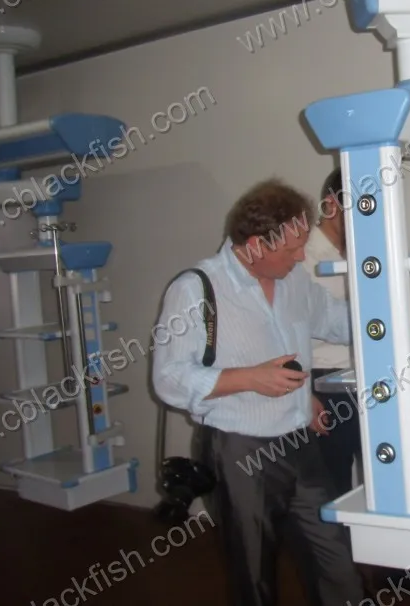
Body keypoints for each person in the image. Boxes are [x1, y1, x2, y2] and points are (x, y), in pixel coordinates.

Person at [151, 178, 365, 606]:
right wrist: (250, 378)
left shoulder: (293, 280)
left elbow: (333, 318)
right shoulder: (196, 289)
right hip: (238, 450)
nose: (301, 257)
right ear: (255, 245)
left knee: (337, 562)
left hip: (300, 442)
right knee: (254, 575)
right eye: (292, 249)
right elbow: (169, 378)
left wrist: (388, 325)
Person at [303, 168, 410, 597]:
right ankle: (345, 586)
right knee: (335, 490)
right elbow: (287, 331)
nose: (366, 215)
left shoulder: (366, 249)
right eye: (357, 206)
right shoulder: (302, 255)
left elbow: (378, 307)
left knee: (390, 478)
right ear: (331, 204)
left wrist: (402, 326)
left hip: (374, 374)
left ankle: (399, 576)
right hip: (326, 382)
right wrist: (304, 392)